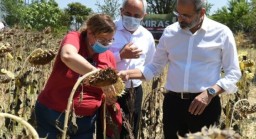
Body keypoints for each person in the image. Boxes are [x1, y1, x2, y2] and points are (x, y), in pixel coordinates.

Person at [118, 0, 242, 138]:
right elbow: (155, 66)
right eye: (178, 13)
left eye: (186, 15)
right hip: (173, 105)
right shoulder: (170, 32)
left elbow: (233, 73)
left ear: (201, 12)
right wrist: (128, 74)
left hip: (205, 105)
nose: (180, 19)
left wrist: (210, 92)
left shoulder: (222, 33)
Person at [35, 14, 122, 139]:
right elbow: (68, 56)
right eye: (103, 40)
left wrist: (110, 97)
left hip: (85, 122)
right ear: (90, 33)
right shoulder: (75, 38)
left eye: (110, 40)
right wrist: (99, 76)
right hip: (52, 113)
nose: (107, 44)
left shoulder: (109, 57)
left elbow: (107, 90)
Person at [109, 0, 156, 138]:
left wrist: (131, 75)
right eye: (128, 13)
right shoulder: (109, 30)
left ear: (144, 15)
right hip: (109, 90)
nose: (132, 18)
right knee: (108, 131)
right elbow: (98, 59)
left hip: (133, 91)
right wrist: (120, 55)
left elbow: (149, 65)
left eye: (137, 15)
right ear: (121, 11)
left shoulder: (147, 37)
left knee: (130, 131)